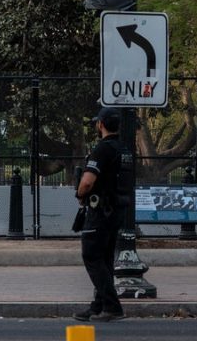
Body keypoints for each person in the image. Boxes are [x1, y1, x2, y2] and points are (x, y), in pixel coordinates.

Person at [73, 106, 126, 322]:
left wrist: (80, 193)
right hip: (116, 210)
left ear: (101, 124)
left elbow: (87, 182)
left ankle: (112, 306)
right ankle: (98, 306)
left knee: (92, 256)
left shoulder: (102, 149)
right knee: (104, 261)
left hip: (99, 211)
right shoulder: (123, 149)